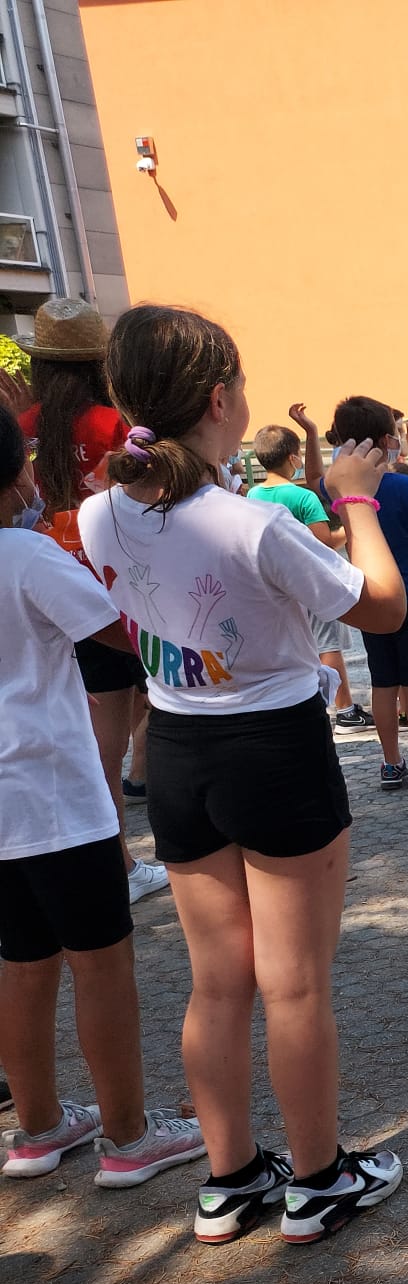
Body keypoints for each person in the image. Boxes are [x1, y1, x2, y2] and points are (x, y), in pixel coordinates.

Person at [78, 303, 408, 1242]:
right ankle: (318, 1179)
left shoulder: (102, 511)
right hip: (274, 750)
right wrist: (355, 498)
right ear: (220, 399)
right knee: (295, 983)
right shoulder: (254, 523)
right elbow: (385, 608)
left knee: (217, 982)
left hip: (178, 754)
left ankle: (228, 1180)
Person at [0, 403, 208, 1186]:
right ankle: (127, 1135)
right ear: (15, 471)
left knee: (23, 963)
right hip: (53, 791)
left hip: (7, 807)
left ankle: (38, 1127)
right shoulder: (24, 553)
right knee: (101, 964)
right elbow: (118, 630)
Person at [17, 297, 168, 905]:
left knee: (100, 736)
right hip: (121, 588)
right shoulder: (114, 424)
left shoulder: (25, 426)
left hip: (47, 586)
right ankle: (132, 863)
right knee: (141, 722)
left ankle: (117, 860)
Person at [323, 395, 408, 791]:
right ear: (386, 441)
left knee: (383, 682)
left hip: (370, 599)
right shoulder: (402, 486)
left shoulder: (337, 487)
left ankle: (390, 764)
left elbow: (318, 478)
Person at [281, 404, 369, 736]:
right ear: (292, 458)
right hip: (313, 579)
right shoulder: (302, 497)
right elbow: (323, 541)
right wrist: (351, 525)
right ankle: (344, 710)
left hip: (284, 584)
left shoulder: (256, 493)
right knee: (329, 645)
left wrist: (311, 431)